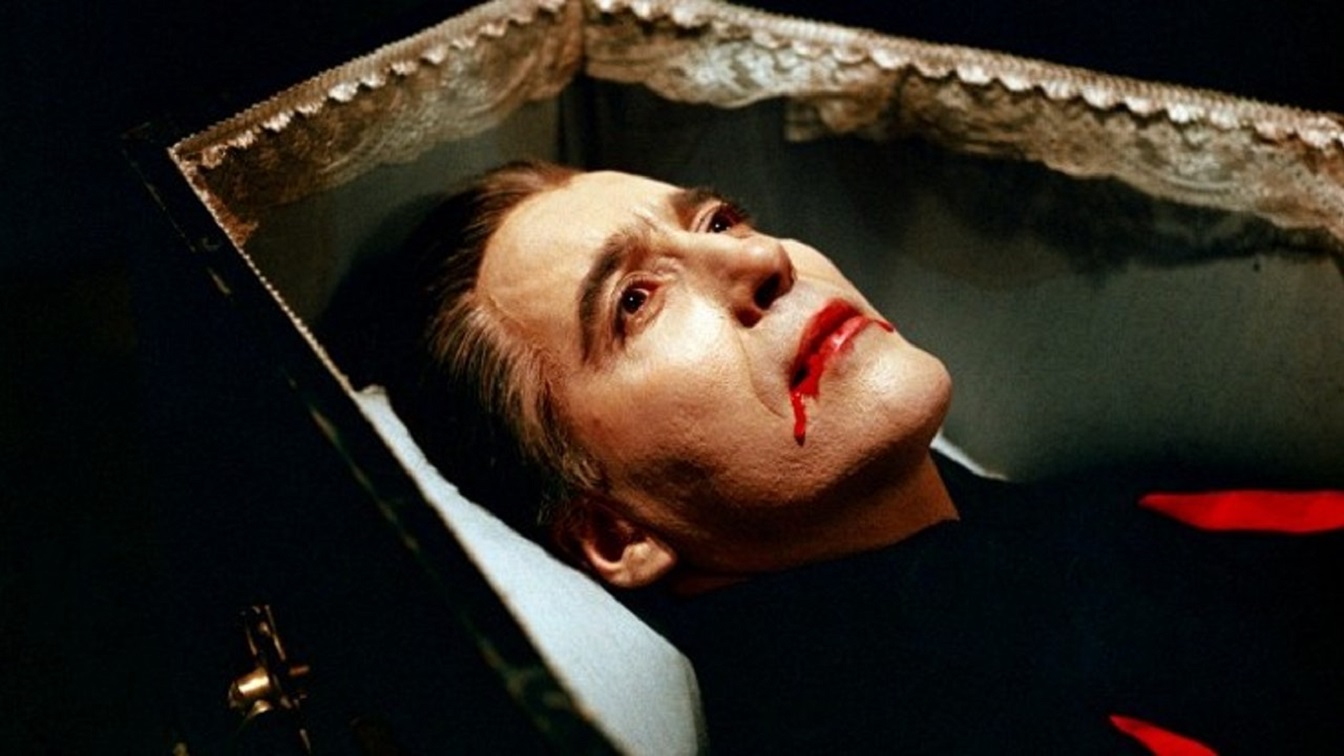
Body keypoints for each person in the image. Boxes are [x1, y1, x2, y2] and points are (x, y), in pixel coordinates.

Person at [327, 160, 1344, 754]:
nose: (761, 258)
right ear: (614, 532)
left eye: (718, 220)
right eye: (636, 301)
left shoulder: (1077, 532)